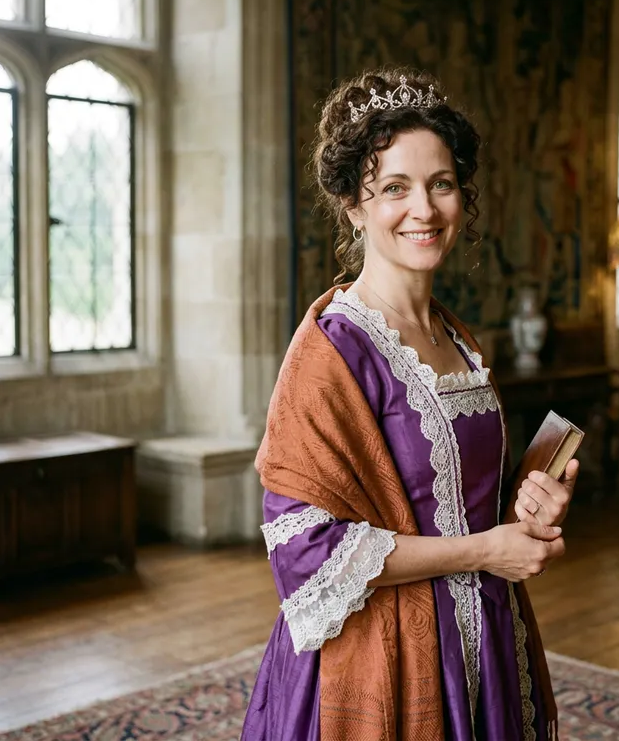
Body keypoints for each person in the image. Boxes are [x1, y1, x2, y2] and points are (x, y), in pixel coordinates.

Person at [241, 66, 579, 741]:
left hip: (485, 636)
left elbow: (457, 502)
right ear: (353, 205)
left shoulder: (458, 337)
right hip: (380, 664)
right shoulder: (332, 349)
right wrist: (484, 550)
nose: (424, 209)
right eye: (395, 187)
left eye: (441, 184)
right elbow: (305, 550)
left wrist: (527, 510)